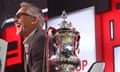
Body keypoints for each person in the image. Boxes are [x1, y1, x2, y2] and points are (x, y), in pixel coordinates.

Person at [14, 2, 46, 72]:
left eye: (19, 16)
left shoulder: (40, 38)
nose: (15, 20)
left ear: (34, 19)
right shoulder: (30, 42)